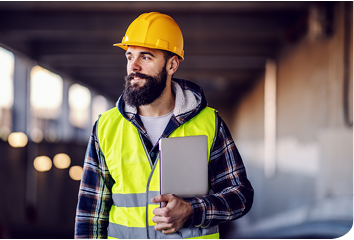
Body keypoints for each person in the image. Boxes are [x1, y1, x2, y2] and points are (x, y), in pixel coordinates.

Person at [75, 12, 254, 239]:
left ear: (172, 65)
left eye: (146, 57)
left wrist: (192, 211)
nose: (134, 67)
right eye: (130, 57)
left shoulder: (209, 124)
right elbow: (90, 215)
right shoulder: (106, 127)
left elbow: (241, 195)